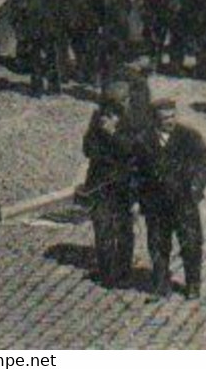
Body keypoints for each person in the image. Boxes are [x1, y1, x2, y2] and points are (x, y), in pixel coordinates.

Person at [135, 99, 206, 300]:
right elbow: (135, 171)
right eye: (164, 118)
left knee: (191, 243)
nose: (169, 121)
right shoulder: (143, 140)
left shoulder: (189, 137)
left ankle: (193, 284)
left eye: (172, 116)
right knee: (158, 244)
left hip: (183, 201)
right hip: (156, 203)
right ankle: (161, 283)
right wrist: (138, 198)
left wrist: (195, 188)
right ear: (154, 120)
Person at [80, 100, 135, 288]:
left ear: (118, 119)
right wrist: (96, 129)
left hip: (122, 190)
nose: (104, 120)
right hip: (100, 188)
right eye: (102, 115)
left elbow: (130, 152)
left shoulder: (127, 133)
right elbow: (88, 150)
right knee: (103, 229)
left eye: (109, 116)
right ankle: (107, 275)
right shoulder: (95, 132)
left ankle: (125, 272)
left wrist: (113, 137)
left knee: (123, 231)